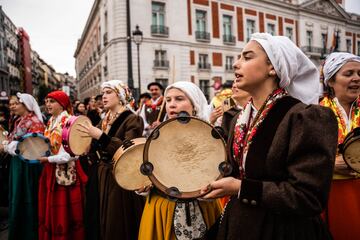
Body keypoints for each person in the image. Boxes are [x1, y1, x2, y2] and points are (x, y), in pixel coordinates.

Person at [201, 33, 338, 240]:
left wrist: (242, 188)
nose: (236, 65)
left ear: (272, 67)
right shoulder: (240, 118)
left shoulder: (305, 117)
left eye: (247, 57)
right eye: (239, 57)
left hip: (281, 230)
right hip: (239, 226)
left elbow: (308, 196)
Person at [138, 81, 223, 240]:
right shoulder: (155, 137)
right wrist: (144, 186)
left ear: (194, 104)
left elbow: (215, 173)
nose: (172, 104)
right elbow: (148, 175)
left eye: (179, 99)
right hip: (163, 210)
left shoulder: (209, 136)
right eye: (168, 100)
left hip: (202, 209)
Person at [78, 80, 145, 240]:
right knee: (99, 215)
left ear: (121, 95)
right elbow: (96, 145)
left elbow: (129, 150)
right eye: (103, 93)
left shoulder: (132, 119)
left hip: (119, 178)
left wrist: (100, 136)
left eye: (109, 92)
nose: (104, 97)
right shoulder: (105, 118)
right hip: (101, 173)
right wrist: (87, 148)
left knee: (116, 220)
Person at [320, 52, 360, 239]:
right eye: (349, 73)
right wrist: (330, 164)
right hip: (331, 195)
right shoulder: (316, 112)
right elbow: (298, 156)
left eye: (359, 73)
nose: (356, 79)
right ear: (330, 81)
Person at [37, 90, 88, 240]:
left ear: (62, 104)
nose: (48, 104)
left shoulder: (71, 121)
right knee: (52, 209)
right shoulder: (51, 120)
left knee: (65, 212)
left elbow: (74, 153)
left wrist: (49, 160)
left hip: (65, 172)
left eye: (52, 101)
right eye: (46, 101)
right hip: (50, 170)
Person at [0, 93, 45, 240]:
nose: (12, 106)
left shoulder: (34, 121)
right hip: (18, 163)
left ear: (26, 105)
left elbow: (34, 147)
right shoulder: (19, 120)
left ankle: (28, 231)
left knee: (26, 196)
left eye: (16, 103)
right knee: (17, 195)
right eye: (11, 104)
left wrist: (6, 146)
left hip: (28, 166)